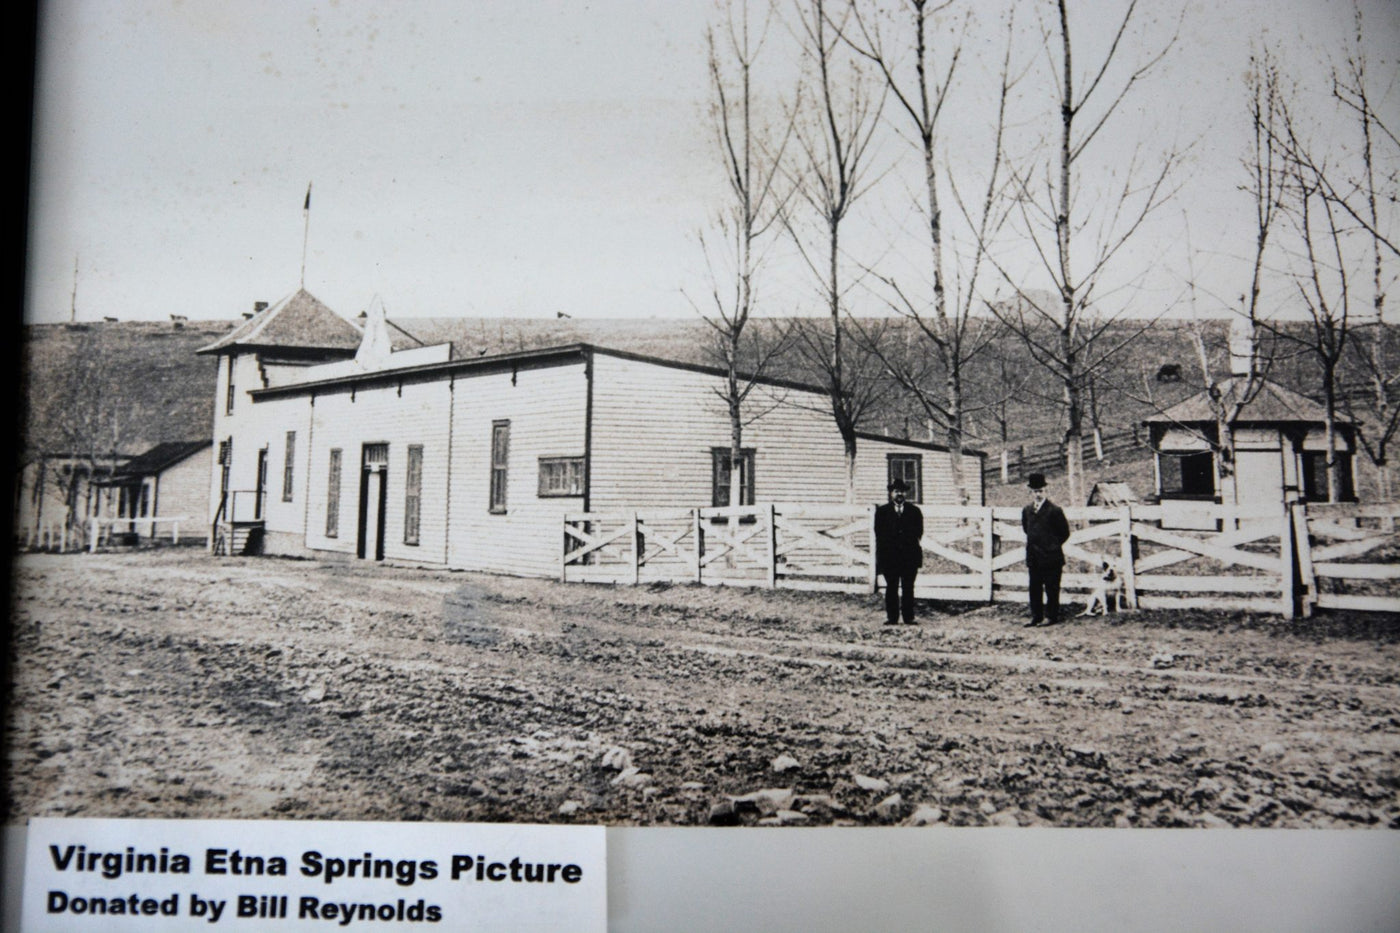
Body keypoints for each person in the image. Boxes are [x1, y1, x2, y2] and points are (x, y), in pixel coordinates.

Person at [1021, 472, 1070, 627]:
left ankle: (1051, 616)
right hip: (1034, 557)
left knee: (1051, 588)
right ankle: (1036, 616)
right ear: (1031, 492)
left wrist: (1051, 546)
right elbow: (1026, 530)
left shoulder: (1055, 510)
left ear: (1045, 491)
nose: (1038, 494)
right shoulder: (1027, 510)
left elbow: (1064, 533)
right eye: (1035, 491)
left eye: (1040, 491)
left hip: (1051, 557)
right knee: (1034, 588)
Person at [874, 479, 923, 625]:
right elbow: (879, 534)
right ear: (891, 493)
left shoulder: (914, 511)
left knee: (908, 588)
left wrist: (905, 543)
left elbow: (918, 533)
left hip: (909, 557)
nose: (899, 494)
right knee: (892, 587)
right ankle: (892, 618)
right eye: (896, 491)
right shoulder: (882, 512)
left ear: (906, 493)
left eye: (902, 491)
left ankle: (909, 617)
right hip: (890, 557)